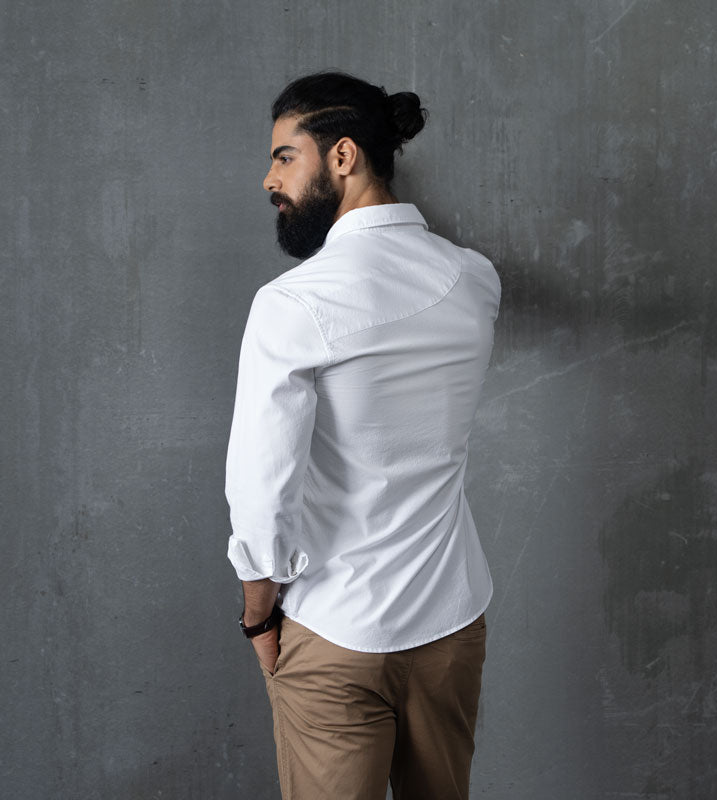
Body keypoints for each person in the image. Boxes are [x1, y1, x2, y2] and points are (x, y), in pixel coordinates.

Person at [225, 71, 501, 800]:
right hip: (451, 621)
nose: (270, 179)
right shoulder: (476, 280)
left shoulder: (293, 302)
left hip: (336, 630)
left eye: (285, 156)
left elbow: (263, 483)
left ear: (342, 156)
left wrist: (259, 617)